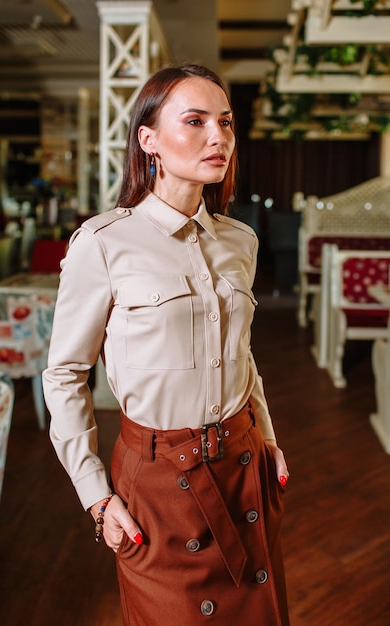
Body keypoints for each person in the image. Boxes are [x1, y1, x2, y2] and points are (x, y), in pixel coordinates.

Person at [43, 63, 290, 626]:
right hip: (156, 486)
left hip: (242, 468)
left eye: (225, 123)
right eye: (196, 121)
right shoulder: (103, 243)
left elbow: (241, 355)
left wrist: (269, 439)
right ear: (148, 139)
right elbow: (64, 374)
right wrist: (96, 496)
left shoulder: (240, 241)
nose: (218, 137)